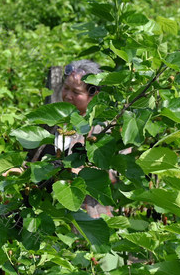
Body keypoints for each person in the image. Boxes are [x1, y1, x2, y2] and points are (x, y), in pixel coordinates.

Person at [7, 59, 113, 219]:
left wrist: (77, 171)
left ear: (94, 95)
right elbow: (32, 160)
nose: (68, 96)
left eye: (76, 92)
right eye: (65, 88)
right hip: (44, 209)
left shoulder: (102, 128)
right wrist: (18, 171)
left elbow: (113, 174)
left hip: (88, 213)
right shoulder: (52, 121)